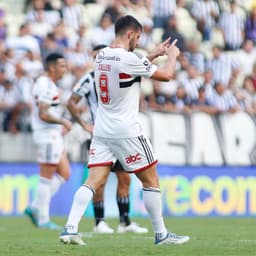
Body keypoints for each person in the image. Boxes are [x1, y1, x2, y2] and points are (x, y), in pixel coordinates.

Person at [59, 15, 190, 246]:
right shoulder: (128, 58)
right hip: (126, 129)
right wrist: (171, 57)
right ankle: (161, 234)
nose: (138, 42)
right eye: (138, 37)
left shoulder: (101, 57)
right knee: (150, 179)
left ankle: (69, 229)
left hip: (102, 130)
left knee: (93, 180)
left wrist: (152, 54)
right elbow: (166, 76)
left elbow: (126, 69)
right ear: (129, 34)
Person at [67, 44, 148, 234]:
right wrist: (83, 124)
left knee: (125, 177)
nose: (99, 59)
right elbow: (71, 102)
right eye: (96, 56)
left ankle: (124, 222)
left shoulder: (117, 75)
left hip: (119, 135)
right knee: (98, 180)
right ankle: (99, 222)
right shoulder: (88, 79)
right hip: (99, 135)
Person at [24, 53, 72, 229]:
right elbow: (43, 114)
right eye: (62, 66)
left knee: (65, 173)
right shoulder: (45, 84)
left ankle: (35, 206)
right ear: (52, 67)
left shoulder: (48, 83)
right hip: (46, 135)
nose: (65, 69)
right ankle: (43, 219)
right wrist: (62, 121)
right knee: (46, 176)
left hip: (53, 134)